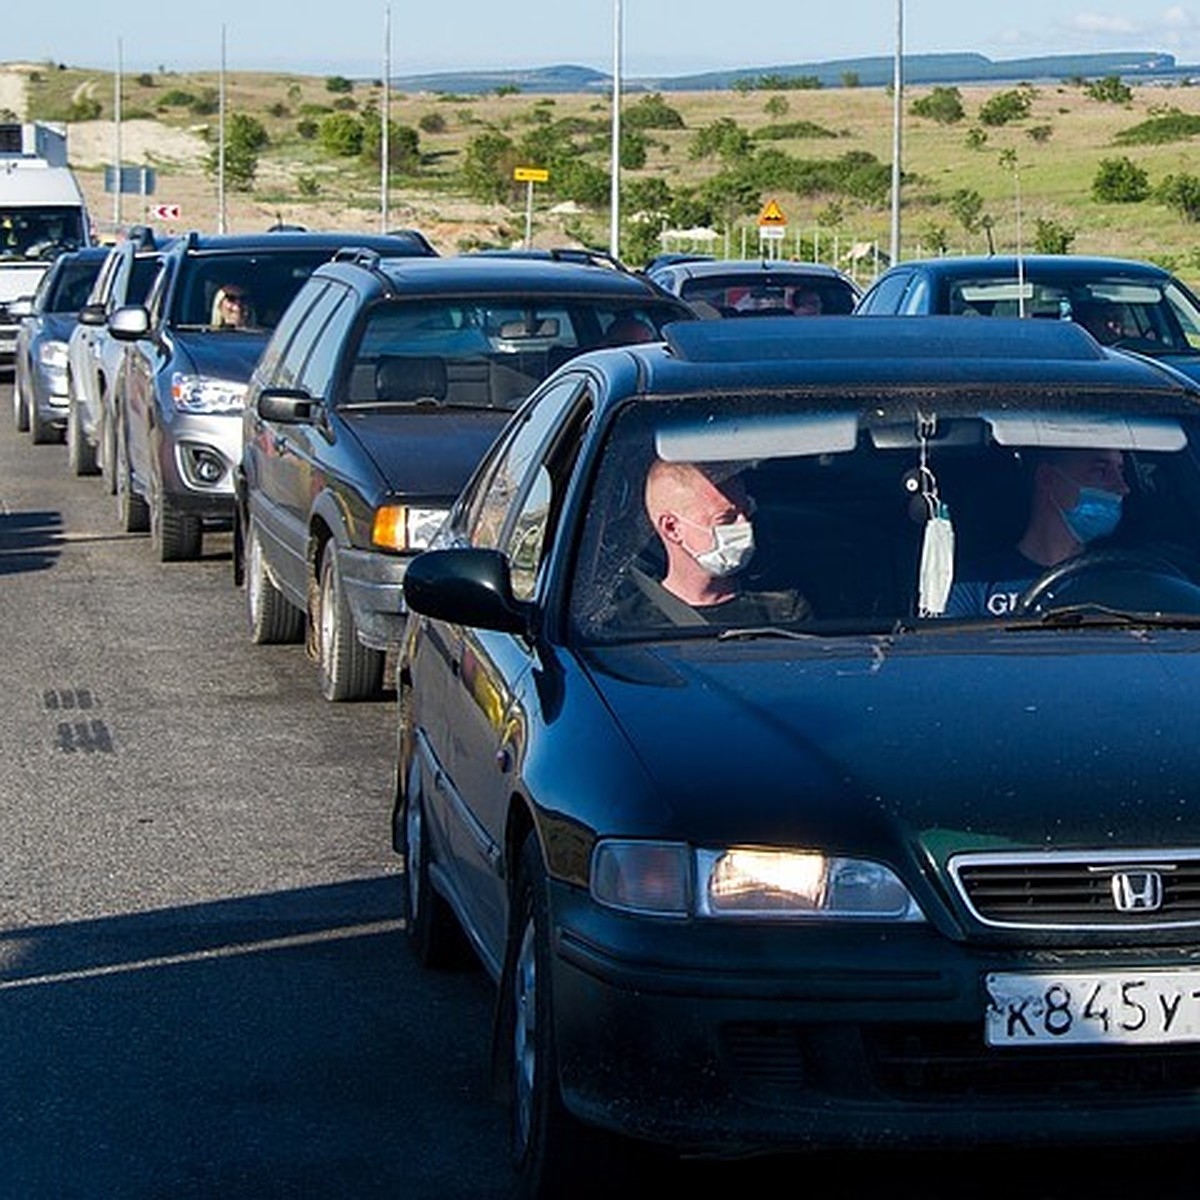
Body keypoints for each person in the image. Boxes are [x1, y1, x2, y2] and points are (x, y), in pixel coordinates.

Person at [613, 458, 811, 627]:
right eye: (726, 520)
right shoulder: (625, 625)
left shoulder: (784, 612)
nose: (745, 525)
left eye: (747, 511)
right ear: (672, 528)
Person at [945, 446, 1130, 617]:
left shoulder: (1126, 582)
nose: (1122, 487)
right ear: (1048, 478)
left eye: (1120, 471)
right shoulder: (975, 584)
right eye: (1100, 471)